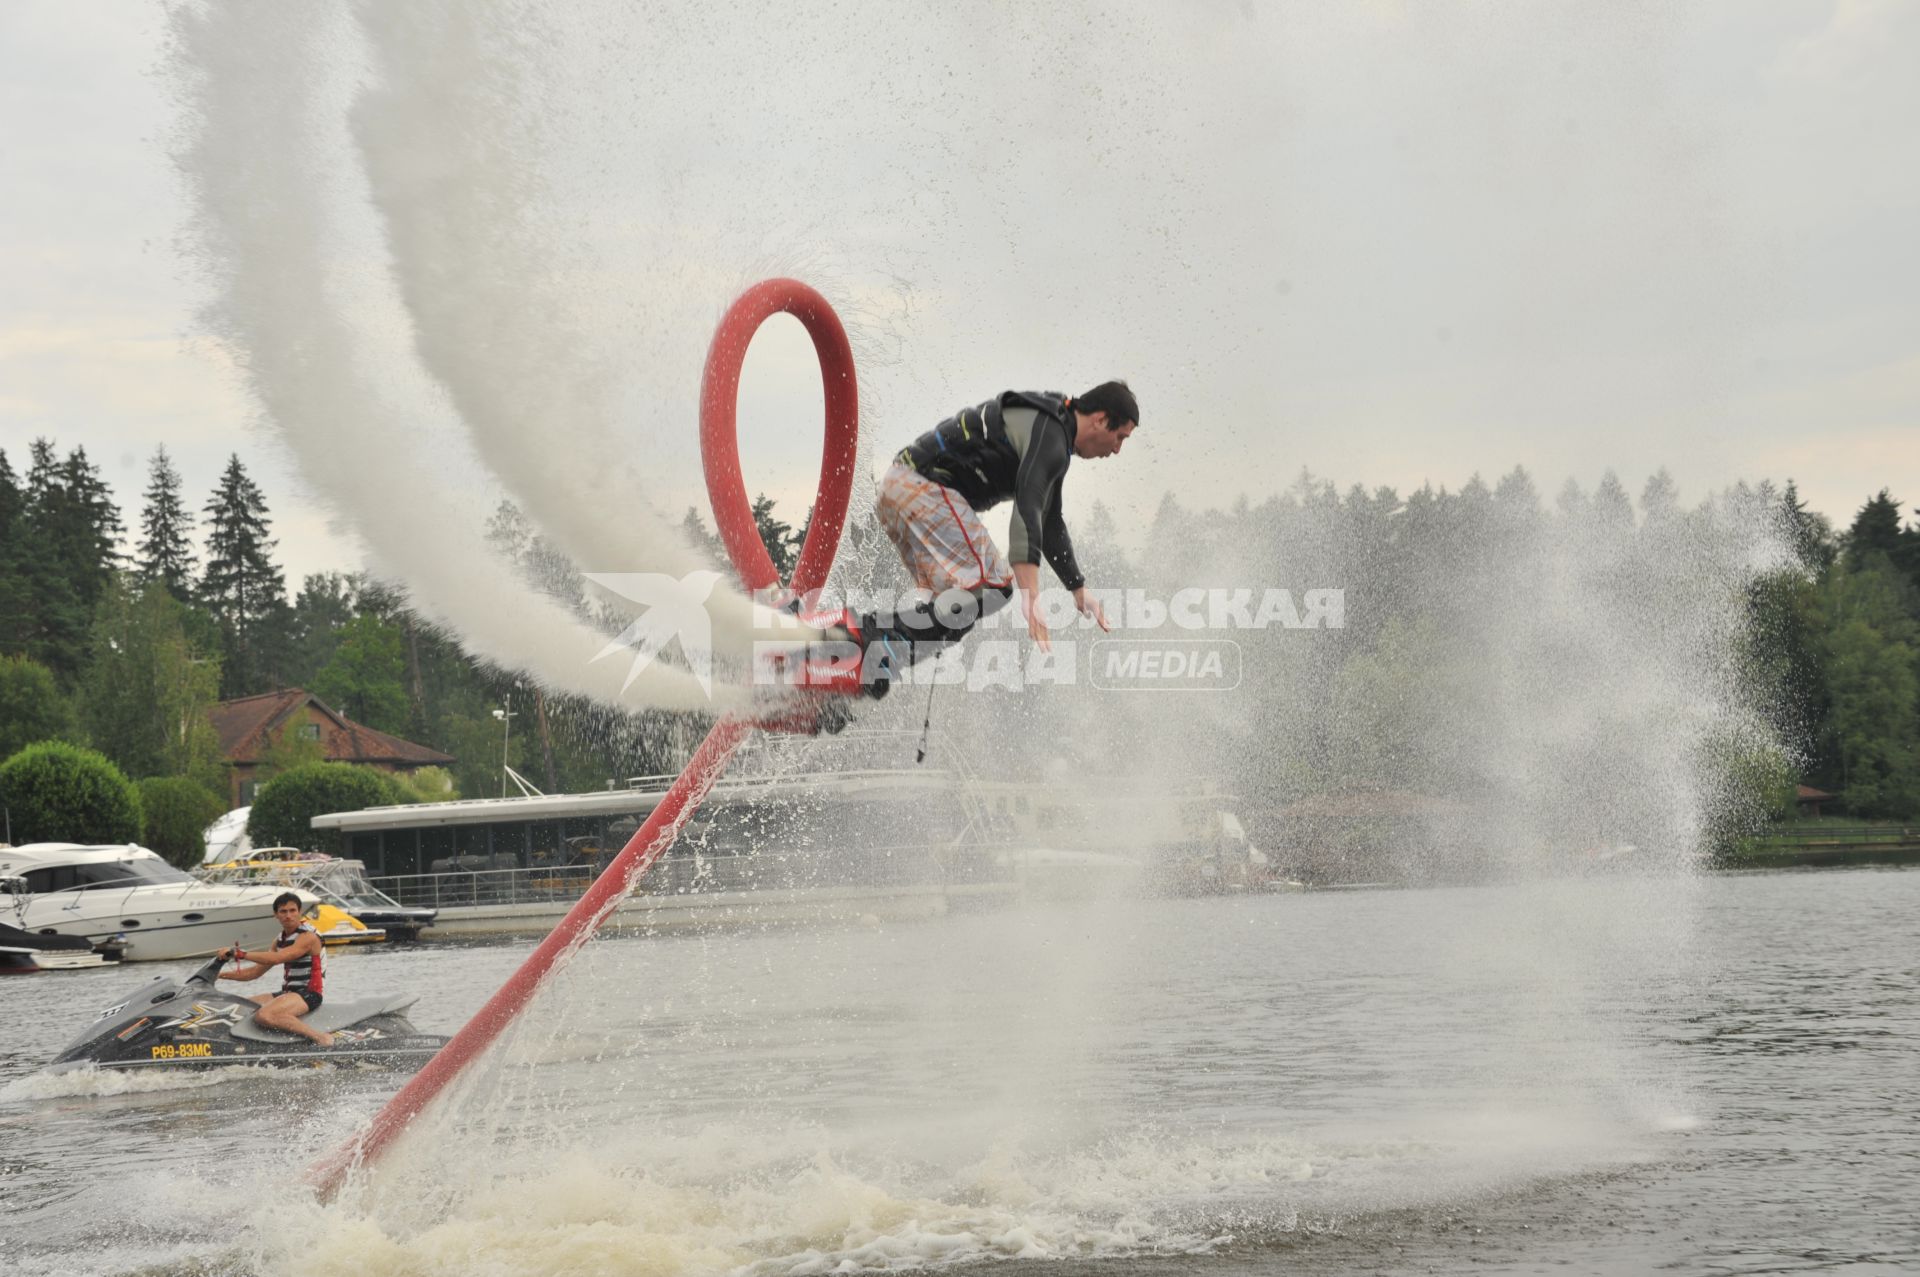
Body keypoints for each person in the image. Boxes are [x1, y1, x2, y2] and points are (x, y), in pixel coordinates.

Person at [790, 381, 1138, 701]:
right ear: (1100, 420)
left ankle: (839, 674)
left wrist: (1077, 587)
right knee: (992, 587)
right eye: (1120, 437)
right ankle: (861, 642)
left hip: (898, 492)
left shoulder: (1052, 429)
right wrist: (1031, 595)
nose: (1118, 450)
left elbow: (1048, 521)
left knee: (957, 611)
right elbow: (1029, 510)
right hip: (921, 487)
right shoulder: (1051, 434)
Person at [216, 892, 333, 1047]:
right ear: (276, 915)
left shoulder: (308, 937)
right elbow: (254, 973)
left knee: (265, 1015)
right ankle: (244, 1045)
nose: (288, 915)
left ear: (299, 912)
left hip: (308, 994)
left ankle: (321, 1038)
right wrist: (218, 975)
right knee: (239, 1008)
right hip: (288, 993)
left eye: (293, 911)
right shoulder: (279, 940)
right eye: (283, 912)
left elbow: (278, 958)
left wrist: (241, 954)